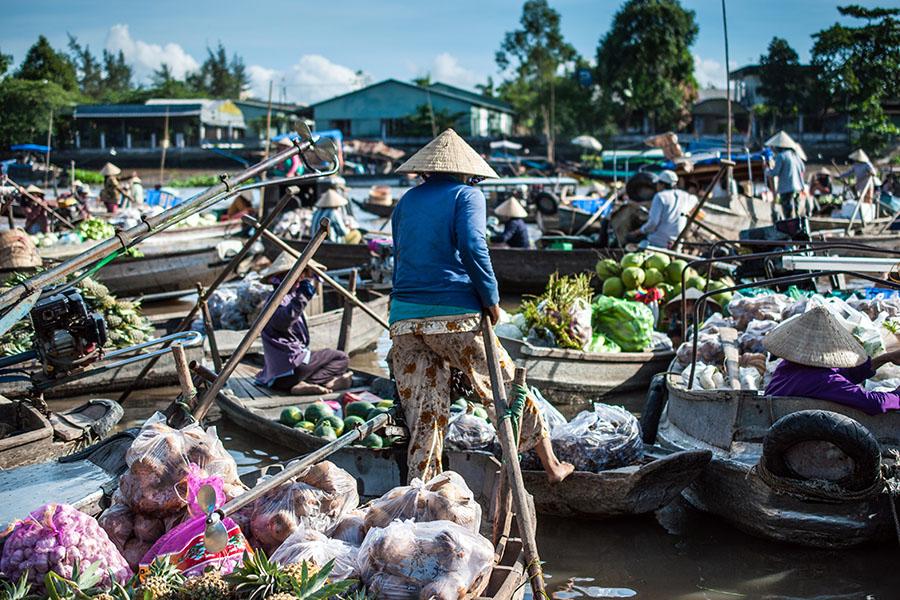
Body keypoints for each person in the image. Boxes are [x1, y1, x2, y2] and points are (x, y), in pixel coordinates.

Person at [389, 128, 573, 484]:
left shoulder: (406, 201)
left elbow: (401, 258)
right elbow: (474, 247)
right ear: (467, 172)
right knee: (504, 389)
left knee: (425, 412)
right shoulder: (467, 195)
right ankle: (552, 466)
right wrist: (491, 300)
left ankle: (422, 491)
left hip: (403, 320)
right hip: (454, 317)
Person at [764, 306, 900, 415]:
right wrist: (897, 395)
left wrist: (886, 358)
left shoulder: (788, 365)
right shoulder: (823, 380)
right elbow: (875, 403)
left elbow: (844, 375)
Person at [254, 252, 353, 395]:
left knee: (324, 358)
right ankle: (314, 382)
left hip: (283, 375)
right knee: (341, 358)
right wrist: (303, 296)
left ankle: (304, 383)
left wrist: (301, 295)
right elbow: (284, 321)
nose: (302, 279)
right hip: (291, 368)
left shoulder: (288, 297)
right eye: (300, 275)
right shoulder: (277, 300)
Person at [629, 170, 696, 249]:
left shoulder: (660, 196)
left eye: (658, 183)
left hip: (658, 242)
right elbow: (695, 200)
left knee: (632, 241)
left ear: (662, 184)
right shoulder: (685, 196)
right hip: (677, 242)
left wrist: (638, 231)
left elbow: (653, 223)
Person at [764, 131, 806, 220]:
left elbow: (774, 172)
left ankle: (790, 229)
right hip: (798, 188)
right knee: (796, 210)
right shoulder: (795, 156)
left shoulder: (781, 156)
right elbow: (802, 168)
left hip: (786, 189)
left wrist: (766, 170)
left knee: (788, 213)